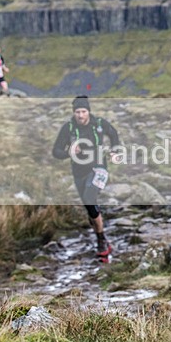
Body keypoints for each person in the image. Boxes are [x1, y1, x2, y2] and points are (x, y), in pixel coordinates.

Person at [52, 95, 121, 259]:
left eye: (83, 111)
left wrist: (114, 150)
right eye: (77, 112)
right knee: (90, 207)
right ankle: (100, 231)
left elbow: (114, 135)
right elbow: (56, 151)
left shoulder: (99, 123)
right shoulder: (68, 128)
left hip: (99, 168)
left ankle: (101, 240)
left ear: (88, 111)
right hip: (79, 172)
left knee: (90, 199)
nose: (80, 115)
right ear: (74, 113)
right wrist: (69, 152)